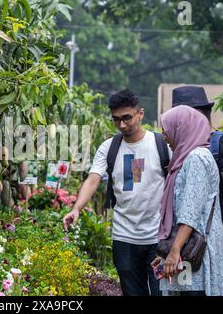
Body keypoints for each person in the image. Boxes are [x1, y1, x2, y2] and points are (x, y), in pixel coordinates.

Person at [63, 89, 170, 296]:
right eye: (116, 120)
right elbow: (93, 179)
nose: (122, 125)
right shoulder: (109, 147)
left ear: (141, 113)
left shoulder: (160, 145)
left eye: (127, 118)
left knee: (161, 292)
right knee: (132, 292)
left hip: (157, 237)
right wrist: (76, 209)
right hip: (124, 236)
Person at [171, 86, 223, 295]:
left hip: (216, 241)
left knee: (216, 288)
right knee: (186, 290)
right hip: (188, 242)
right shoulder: (182, 149)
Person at [152, 105, 223, 296]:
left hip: (195, 254)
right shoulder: (186, 159)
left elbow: (189, 213)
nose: (164, 135)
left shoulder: (196, 158)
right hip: (189, 250)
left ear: (182, 128)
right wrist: (166, 253)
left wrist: (174, 251)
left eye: (167, 128)